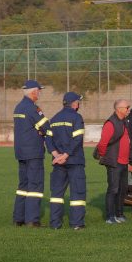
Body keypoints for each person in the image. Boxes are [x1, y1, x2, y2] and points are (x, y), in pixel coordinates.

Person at [45, 92, 87, 230]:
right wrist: (66, 155)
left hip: (58, 163)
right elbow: (77, 139)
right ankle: (77, 224)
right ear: (75, 104)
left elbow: (48, 139)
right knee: (77, 193)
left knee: (56, 194)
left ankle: (55, 224)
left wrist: (57, 155)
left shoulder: (54, 118)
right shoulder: (77, 117)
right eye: (78, 102)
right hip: (74, 161)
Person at [13, 80, 51, 228]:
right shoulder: (32, 109)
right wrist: (43, 131)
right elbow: (46, 126)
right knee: (35, 185)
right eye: (39, 90)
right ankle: (32, 220)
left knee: (23, 185)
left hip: (21, 152)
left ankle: (19, 218)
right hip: (33, 151)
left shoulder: (18, 107)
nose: (39, 93)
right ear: (34, 92)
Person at [97, 99, 132, 224]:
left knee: (123, 189)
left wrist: (129, 161)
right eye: (127, 107)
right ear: (119, 109)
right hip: (114, 162)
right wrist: (106, 156)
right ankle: (109, 217)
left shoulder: (124, 122)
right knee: (113, 189)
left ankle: (119, 214)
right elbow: (103, 144)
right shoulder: (110, 123)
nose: (129, 109)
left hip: (124, 163)